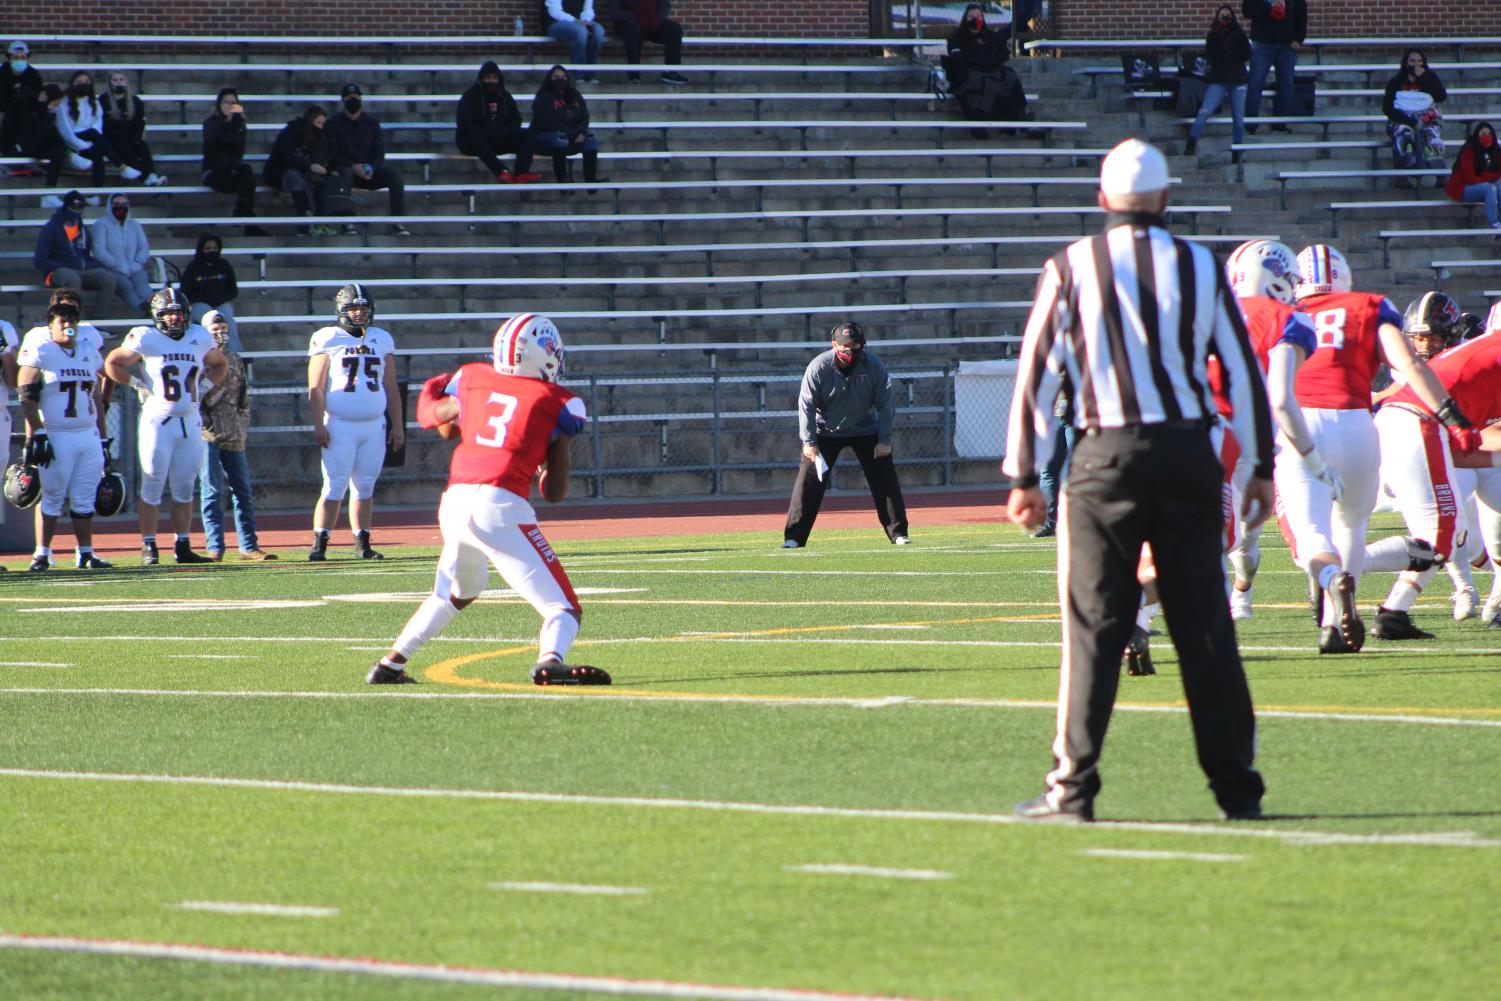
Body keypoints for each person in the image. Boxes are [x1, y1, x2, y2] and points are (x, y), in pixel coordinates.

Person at [1002, 139, 1275, 823]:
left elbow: (1034, 374)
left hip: (1103, 457)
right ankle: (1236, 789)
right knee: (1205, 627)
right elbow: (1241, 373)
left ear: (1102, 200)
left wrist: (1023, 474)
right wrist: (1263, 465)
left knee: (1092, 628)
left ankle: (1070, 790)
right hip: (1185, 454)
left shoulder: (1069, 267)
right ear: (1164, 199)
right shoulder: (1199, 266)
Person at [367, 313, 608, 687]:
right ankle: (550, 660)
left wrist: (436, 386)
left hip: (455, 501)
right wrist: (548, 459)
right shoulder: (560, 402)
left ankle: (390, 664)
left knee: (456, 593)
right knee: (563, 607)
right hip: (500, 505)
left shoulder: (474, 378)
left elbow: (436, 421)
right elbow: (554, 493)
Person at [1286, 246, 1454, 642]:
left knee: (1308, 529)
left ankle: (1327, 583)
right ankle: (1334, 621)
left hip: (1301, 420)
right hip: (1359, 423)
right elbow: (1408, 365)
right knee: (1352, 524)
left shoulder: (1283, 313)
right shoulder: (1369, 305)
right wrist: (1451, 415)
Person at [103, 286, 227, 565]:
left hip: (190, 420)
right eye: (168, 314)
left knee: (184, 486)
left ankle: (182, 544)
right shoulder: (146, 337)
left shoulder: (198, 335)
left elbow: (220, 363)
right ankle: (149, 545)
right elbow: (112, 362)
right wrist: (136, 384)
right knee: (152, 484)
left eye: (178, 313)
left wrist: (204, 386)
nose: (174, 319)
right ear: (158, 316)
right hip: (158, 421)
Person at [781, 321, 909, 549]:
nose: (850, 352)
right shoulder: (818, 367)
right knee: (808, 483)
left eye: (856, 347)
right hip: (826, 432)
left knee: (885, 480)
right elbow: (806, 405)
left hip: (866, 429)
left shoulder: (874, 365)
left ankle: (898, 533)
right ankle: (794, 537)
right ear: (834, 345)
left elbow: (886, 405)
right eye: (844, 347)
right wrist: (809, 441)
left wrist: (884, 440)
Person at [305, 283, 404, 562]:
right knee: (334, 486)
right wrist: (318, 424)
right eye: (353, 308)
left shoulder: (381, 338)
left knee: (365, 487)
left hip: (374, 425)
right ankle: (320, 542)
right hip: (340, 424)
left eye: (363, 308)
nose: (359, 313)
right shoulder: (327, 338)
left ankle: (362, 542)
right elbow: (316, 386)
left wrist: (397, 424)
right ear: (341, 310)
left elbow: (391, 386)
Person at [16, 301, 111, 571]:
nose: (68, 326)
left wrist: (102, 437)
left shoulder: (87, 350)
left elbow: (95, 396)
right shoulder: (42, 349)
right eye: (62, 321)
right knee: (53, 497)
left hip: (87, 434)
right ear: (51, 326)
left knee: (84, 497)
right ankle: (42, 553)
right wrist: (38, 431)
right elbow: (26, 394)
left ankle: (85, 552)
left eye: (72, 321)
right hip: (57, 434)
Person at [198, 309, 275, 563]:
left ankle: (249, 545)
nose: (220, 334)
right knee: (211, 491)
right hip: (206, 433)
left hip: (233, 432)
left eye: (223, 330)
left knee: (242, 491)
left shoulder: (235, 359)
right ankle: (215, 546)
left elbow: (243, 398)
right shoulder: (198, 359)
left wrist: (242, 425)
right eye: (214, 330)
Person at [327, 83, 410, 237]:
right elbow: (332, 154)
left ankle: (398, 221)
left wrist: (370, 167)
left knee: (394, 175)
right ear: (343, 100)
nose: (354, 99)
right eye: (349, 97)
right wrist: (353, 166)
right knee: (344, 173)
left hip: (369, 171)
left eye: (356, 96)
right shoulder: (333, 124)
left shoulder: (371, 123)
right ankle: (348, 222)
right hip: (346, 170)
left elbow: (379, 152)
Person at [32, 190, 119, 317]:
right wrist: (64, 265)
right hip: (56, 272)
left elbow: (86, 255)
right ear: (66, 207)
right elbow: (39, 261)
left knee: (108, 278)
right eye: (73, 207)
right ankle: (73, 319)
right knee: (73, 279)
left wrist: (89, 264)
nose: (77, 211)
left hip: (81, 270)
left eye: (80, 207)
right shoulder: (51, 228)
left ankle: (99, 320)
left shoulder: (82, 230)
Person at [944, 5, 1029, 130]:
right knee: (981, 80)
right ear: (965, 19)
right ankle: (981, 118)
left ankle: (1021, 115)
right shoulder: (957, 38)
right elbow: (959, 58)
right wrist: (983, 59)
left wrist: (985, 59)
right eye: (971, 17)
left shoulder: (989, 37)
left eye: (979, 16)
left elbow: (1002, 54)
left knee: (1010, 76)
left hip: (992, 70)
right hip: (969, 72)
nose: (975, 20)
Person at [455, 62, 541, 184]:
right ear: (481, 78)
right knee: (474, 136)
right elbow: (465, 123)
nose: (491, 81)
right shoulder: (470, 96)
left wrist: (503, 132)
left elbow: (516, 120)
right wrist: (487, 133)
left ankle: (522, 172)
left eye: (495, 78)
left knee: (527, 135)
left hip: (499, 138)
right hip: (476, 141)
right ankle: (501, 171)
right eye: (488, 78)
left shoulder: (505, 96)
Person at [1185, 6, 1251, 158]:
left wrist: (1231, 50)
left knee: (1239, 119)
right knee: (1204, 112)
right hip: (1219, 80)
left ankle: (1237, 151)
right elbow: (1213, 54)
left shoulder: (1239, 34)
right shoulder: (1213, 36)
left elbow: (1246, 54)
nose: (1225, 19)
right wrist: (1227, 49)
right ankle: (1192, 142)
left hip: (1238, 80)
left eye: (1228, 16)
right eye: (1222, 16)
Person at [202, 87, 265, 235]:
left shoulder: (240, 125)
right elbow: (212, 144)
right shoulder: (211, 123)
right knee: (247, 182)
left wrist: (235, 123)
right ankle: (249, 223)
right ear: (219, 104)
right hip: (214, 171)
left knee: (247, 172)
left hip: (231, 170)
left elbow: (239, 151)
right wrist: (225, 123)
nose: (229, 106)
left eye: (233, 103)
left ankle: (241, 213)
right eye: (225, 102)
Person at [530, 65, 604, 187]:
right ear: (550, 78)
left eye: (564, 76)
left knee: (590, 139)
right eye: (556, 76)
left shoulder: (574, 94)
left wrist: (581, 132)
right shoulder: (543, 96)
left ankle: (591, 182)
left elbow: (584, 117)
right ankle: (562, 180)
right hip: (545, 138)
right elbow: (548, 122)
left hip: (572, 137)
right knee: (560, 138)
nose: (561, 79)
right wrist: (573, 134)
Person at [266, 105, 336, 234]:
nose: (320, 127)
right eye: (318, 123)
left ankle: (319, 220)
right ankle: (306, 219)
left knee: (319, 181)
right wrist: (309, 166)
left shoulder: (320, 136)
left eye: (323, 124)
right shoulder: (291, 132)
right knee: (297, 179)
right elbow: (288, 157)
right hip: (281, 172)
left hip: (304, 173)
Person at [1242, 0, 1306, 134]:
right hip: (1262, 43)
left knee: (1286, 86)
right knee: (1255, 84)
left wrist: (1299, 39)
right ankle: (1250, 125)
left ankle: (1280, 124)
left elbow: (1302, 15)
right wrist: (1268, 6)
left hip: (1287, 46)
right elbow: (1247, 11)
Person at [55, 70, 124, 188]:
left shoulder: (94, 102)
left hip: (91, 140)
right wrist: (82, 145)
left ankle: (97, 191)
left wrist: (89, 144)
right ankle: (121, 165)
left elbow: (98, 124)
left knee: (98, 155)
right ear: (73, 84)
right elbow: (65, 130)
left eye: (86, 82)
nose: (83, 84)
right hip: (73, 141)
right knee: (93, 134)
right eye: (79, 82)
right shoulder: (64, 102)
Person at [1383, 48, 1447, 173]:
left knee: (1431, 136)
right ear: (1406, 63)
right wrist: (1410, 121)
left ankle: (1439, 171)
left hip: (1427, 118)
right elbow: (1387, 108)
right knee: (1404, 135)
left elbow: (1441, 96)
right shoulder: (1395, 83)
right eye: (1412, 61)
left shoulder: (1430, 79)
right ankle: (1404, 171)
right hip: (1403, 119)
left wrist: (1424, 77)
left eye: (1419, 61)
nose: (1416, 64)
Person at [99, 71, 166, 186]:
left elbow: (140, 122)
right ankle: (146, 179)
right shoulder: (103, 100)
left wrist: (134, 137)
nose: (118, 82)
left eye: (121, 79)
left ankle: (151, 175)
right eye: (115, 80)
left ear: (126, 82)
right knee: (126, 148)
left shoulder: (135, 101)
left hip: (131, 136)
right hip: (112, 138)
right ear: (110, 83)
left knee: (143, 147)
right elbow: (104, 124)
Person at [90, 192, 154, 313]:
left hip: (134, 267)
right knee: (126, 286)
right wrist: (118, 266)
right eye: (116, 204)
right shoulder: (101, 225)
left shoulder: (135, 225)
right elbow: (99, 251)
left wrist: (137, 263)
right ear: (110, 206)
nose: (120, 206)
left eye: (124, 204)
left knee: (143, 286)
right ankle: (141, 311)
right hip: (111, 269)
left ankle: (155, 311)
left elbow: (143, 247)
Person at [4, 84, 69, 199]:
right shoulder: (26, 102)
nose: (56, 107)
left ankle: (50, 192)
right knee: (49, 131)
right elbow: (30, 127)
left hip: (36, 144)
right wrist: (42, 106)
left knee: (58, 152)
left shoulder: (45, 110)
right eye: (55, 103)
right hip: (17, 145)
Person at [180, 232, 241, 352]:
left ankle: (238, 355)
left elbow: (233, 290)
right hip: (198, 303)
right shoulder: (193, 267)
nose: (211, 251)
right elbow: (185, 291)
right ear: (201, 249)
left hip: (221, 303)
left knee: (227, 320)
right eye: (207, 249)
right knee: (213, 321)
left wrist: (220, 299)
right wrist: (204, 300)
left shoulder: (224, 265)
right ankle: (212, 353)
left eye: (214, 248)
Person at [608, 0, 688, 84]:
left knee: (674, 29)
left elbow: (664, 5)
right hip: (629, 23)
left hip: (652, 22)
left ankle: (670, 72)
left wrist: (656, 19)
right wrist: (635, 17)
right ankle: (634, 74)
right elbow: (614, 12)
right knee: (633, 30)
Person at [1444, 121, 1501, 233]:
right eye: (1483, 134)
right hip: (1463, 188)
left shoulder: (1496, 151)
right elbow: (1470, 178)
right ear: (1477, 135)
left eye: (1489, 134)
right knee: (1490, 188)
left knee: (1499, 185)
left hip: (1483, 186)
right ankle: (1493, 225)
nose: (1487, 137)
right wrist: (1491, 177)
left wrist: (1490, 177)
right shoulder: (1469, 151)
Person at [543, 0, 606, 81]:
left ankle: (590, 74)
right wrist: (576, 21)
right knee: (580, 31)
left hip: (579, 23)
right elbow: (555, 12)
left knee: (598, 31)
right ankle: (578, 75)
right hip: (555, 22)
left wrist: (586, 20)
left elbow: (588, 9)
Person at [0, 41, 43, 134]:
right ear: (9, 58)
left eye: (23, 57)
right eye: (16, 57)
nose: (19, 60)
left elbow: (39, 94)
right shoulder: (2, 74)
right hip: (5, 111)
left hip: (27, 110)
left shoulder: (34, 74)